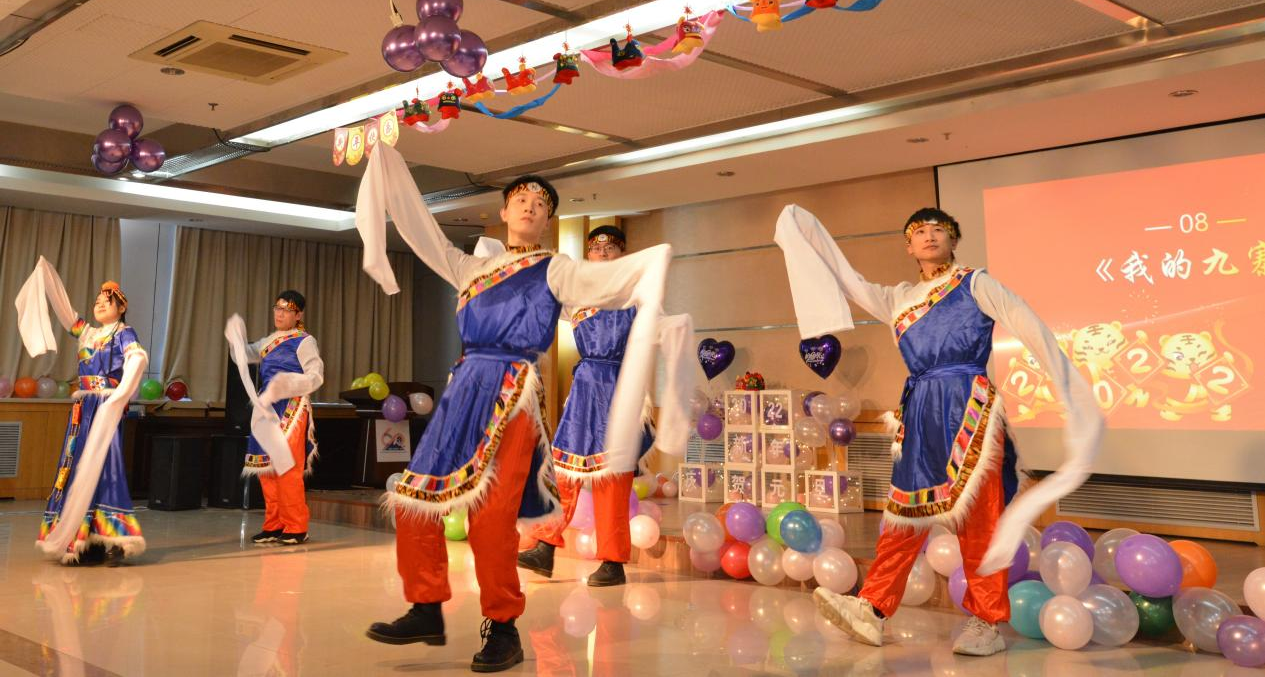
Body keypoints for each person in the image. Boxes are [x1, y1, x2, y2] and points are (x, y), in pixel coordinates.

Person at [355, 145, 694, 673]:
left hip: (514, 393)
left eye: (542, 203)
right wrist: (388, 169)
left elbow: (610, 282)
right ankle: (425, 605)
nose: (531, 206)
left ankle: (503, 627)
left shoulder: (556, 270)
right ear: (504, 211)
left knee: (493, 518)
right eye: (522, 199)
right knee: (414, 497)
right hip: (464, 388)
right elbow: (422, 232)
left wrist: (651, 261)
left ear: (548, 220)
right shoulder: (469, 266)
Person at [774, 205, 1102, 656]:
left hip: (968, 404)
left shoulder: (976, 283)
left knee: (978, 515)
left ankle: (987, 621)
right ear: (909, 246)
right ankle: (873, 608)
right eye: (919, 232)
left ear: (953, 240)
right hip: (920, 410)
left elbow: (1028, 324)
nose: (929, 236)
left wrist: (1070, 388)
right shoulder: (898, 299)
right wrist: (804, 229)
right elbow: (848, 280)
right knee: (905, 513)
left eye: (938, 230)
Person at [517, 225, 656, 588]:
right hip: (584, 391)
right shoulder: (576, 295)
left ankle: (613, 562)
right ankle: (545, 546)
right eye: (596, 247)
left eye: (611, 247)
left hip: (620, 388)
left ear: (623, 253)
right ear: (588, 254)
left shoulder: (638, 293)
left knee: (613, 478)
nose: (603, 252)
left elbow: (658, 331)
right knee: (563, 470)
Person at [15, 259, 149, 566]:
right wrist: (47, 276)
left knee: (105, 467)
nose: (99, 304)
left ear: (121, 308)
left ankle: (112, 538)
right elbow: (65, 311)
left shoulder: (124, 333)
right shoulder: (87, 333)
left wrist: (120, 395)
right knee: (75, 466)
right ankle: (81, 538)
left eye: (107, 301)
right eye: (97, 301)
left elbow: (138, 358)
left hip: (105, 406)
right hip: (83, 408)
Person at [226, 290, 324, 546]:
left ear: (298, 315)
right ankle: (274, 524)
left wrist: (288, 384)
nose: (279, 314)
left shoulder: (304, 341)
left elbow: (316, 376)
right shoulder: (269, 341)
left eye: (286, 310)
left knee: (287, 467)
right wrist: (236, 338)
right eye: (277, 308)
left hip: (291, 405)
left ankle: (296, 526)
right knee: (266, 468)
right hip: (267, 407)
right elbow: (243, 355)